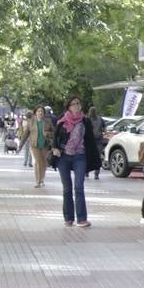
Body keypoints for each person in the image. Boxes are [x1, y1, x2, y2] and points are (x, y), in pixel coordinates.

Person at [52, 96, 99, 228]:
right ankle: (68, 218)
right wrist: (55, 148)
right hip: (63, 157)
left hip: (80, 156)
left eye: (78, 103)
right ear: (69, 107)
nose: (76, 105)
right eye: (73, 104)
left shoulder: (85, 121)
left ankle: (82, 218)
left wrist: (95, 158)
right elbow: (56, 137)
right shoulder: (62, 120)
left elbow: (90, 141)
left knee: (79, 187)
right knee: (67, 188)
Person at [23, 107, 53, 188]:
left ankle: (42, 179)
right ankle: (37, 181)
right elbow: (26, 134)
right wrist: (20, 145)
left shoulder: (48, 122)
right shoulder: (31, 122)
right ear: (35, 113)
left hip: (44, 144)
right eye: (38, 111)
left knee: (43, 162)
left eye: (42, 111)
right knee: (37, 162)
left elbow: (53, 132)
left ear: (44, 113)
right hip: (34, 145)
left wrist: (47, 134)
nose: (40, 113)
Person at [86, 108, 105, 179]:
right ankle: (96, 173)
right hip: (99, 139)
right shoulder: (100, 119)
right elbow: (104, 128)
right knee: (98, 157)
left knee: (88, 156)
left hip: (89, 140)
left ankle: (86, 172)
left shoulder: (87, 119)